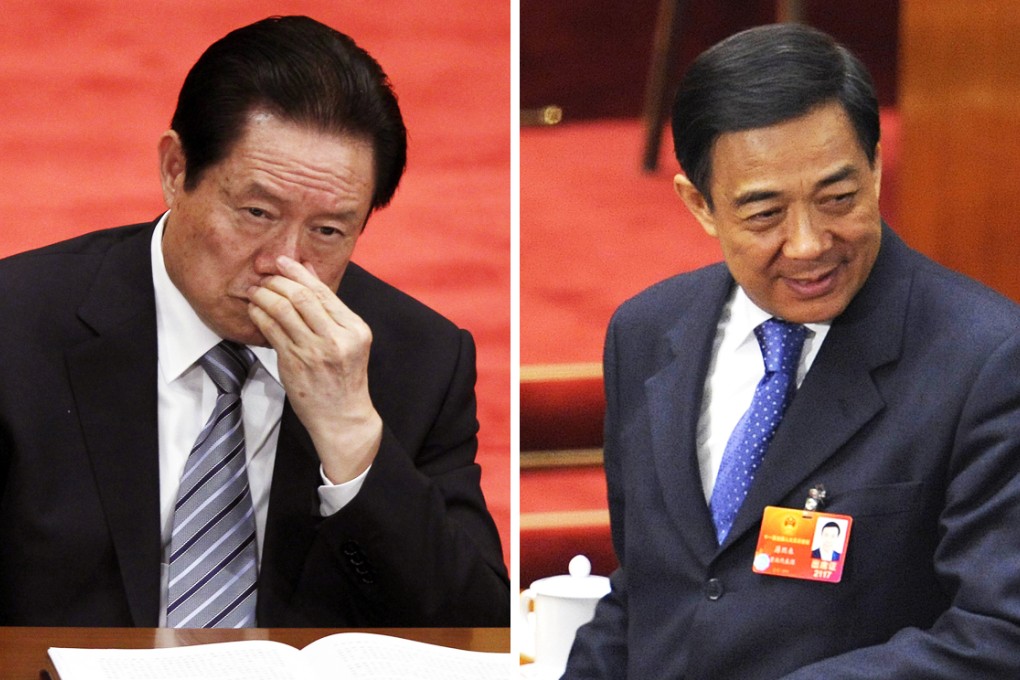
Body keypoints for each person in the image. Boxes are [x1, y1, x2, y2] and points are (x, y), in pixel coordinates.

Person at [0, 15, 509, 628]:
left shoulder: (418, 360)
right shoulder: (17, 326)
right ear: (175, 169)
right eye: (257, 212)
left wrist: (352, 439)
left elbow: (477, 630)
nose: (284, 263)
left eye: (328, 231)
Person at [563, 23, 1020, 679]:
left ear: (877, 164)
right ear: (700, 206)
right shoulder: (643, 333)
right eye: (764, 214)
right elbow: (649, 594)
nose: (808, 244)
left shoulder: (986, 360)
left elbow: (999, 636)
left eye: (838, 198)